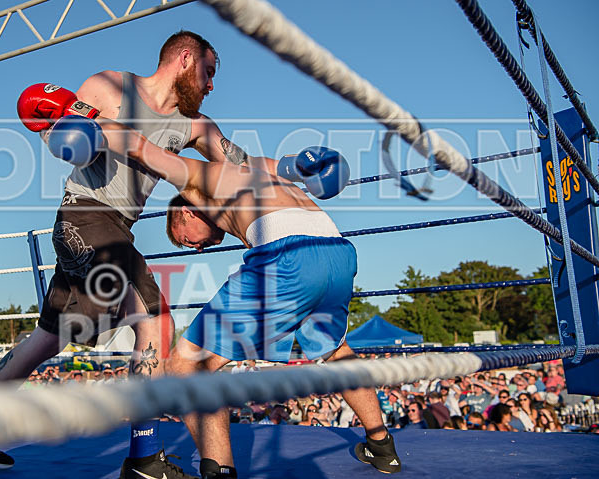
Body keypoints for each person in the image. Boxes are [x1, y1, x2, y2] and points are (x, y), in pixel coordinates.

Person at [0, 31, 255, 478]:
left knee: (50, 336)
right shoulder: (109, 87)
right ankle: (143, 458)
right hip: (86, 215)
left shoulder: (197, 126)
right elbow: (62, 140)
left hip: (110, 227)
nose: (211, 85)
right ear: (186, 59)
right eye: (209, 73)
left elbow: (239, 167)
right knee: (155, 320)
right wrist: (71, 133)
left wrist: (288, 171)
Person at [47, 110, 398, 475]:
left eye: (186, 242)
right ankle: (382, 446)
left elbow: (139, 148)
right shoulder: (250, 168)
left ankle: (219, 471)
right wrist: (308, 163)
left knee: (187, 366)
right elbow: (294, 167)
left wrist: (89, 123)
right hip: (337, 252)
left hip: (285, 254)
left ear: (186, 213)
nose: (198, 249)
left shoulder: (195, 177)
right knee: (335, 349)